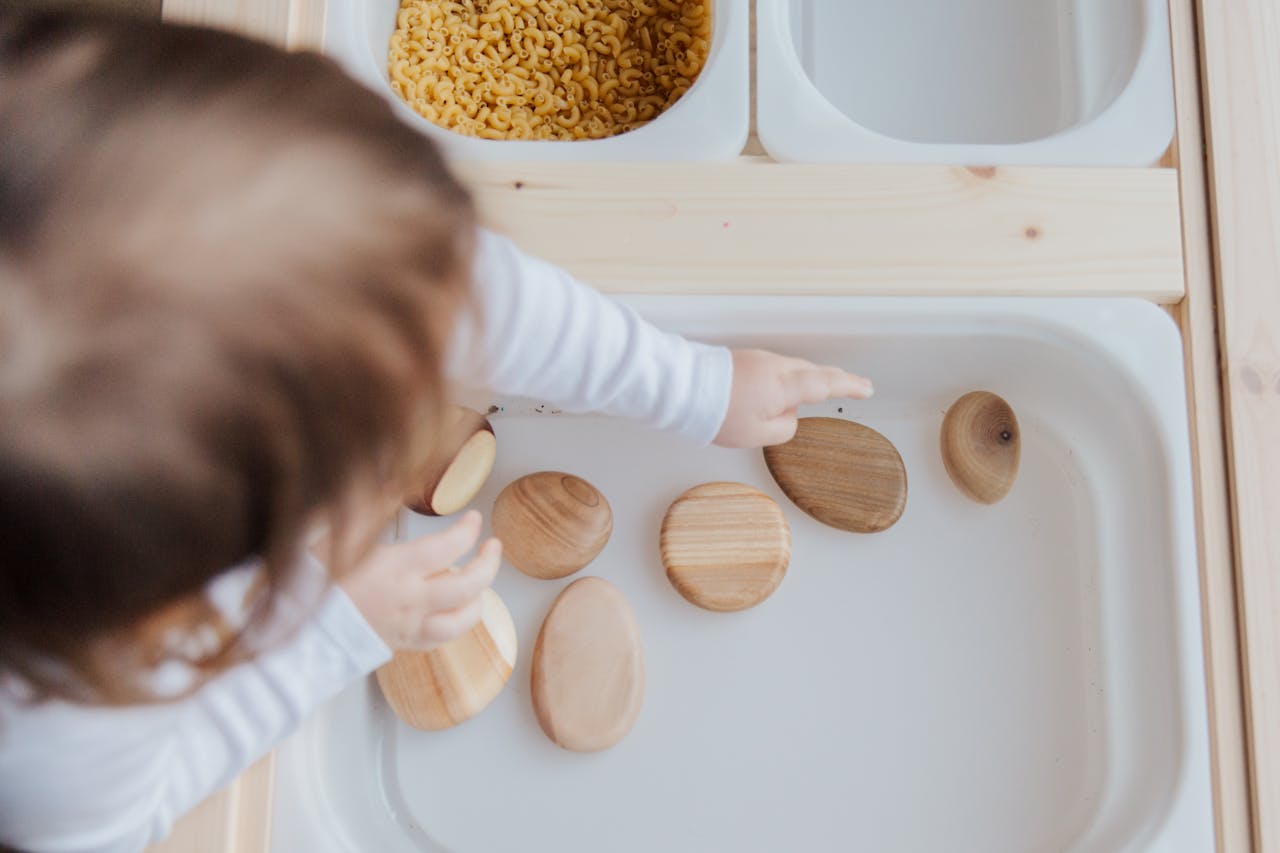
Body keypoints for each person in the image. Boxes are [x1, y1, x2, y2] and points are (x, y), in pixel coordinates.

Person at [0, 10, 873, 852]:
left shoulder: (234, 229)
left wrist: (692, 385)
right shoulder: (54, 729)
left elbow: (455, 292)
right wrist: (333, 626)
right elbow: (115, 823)